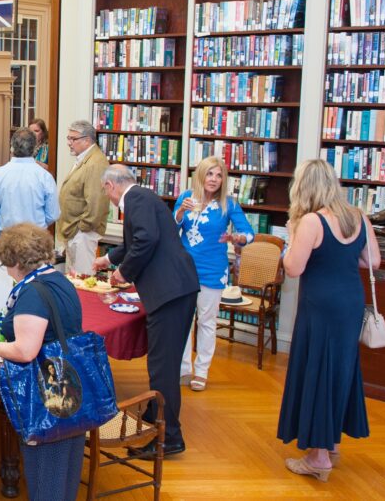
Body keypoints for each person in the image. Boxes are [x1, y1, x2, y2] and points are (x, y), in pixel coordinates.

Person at [277, 159, 378, 482]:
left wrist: (291, 237)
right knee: (339, 369)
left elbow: (293, 268)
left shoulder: (310, 222)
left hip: (320, 305)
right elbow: (372, 259)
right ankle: (331, 441)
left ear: (304, 187)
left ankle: (318, 459)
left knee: (317, 370)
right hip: (350, 303)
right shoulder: (358, 217)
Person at [0, 223, 85, 501]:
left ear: (17, 261)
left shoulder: (32, 294)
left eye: (7, 264)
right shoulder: (59, 280)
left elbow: (25, 351)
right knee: (65, 472)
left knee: (46, 476)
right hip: (71, 389)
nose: (6, 270)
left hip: (48, 396)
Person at [93, 165, 199, 457]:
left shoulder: (135, 199)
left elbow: (145, 241)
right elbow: (135, 241)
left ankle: (170, 438)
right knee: (163, 362)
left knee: (162, 367)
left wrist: (122, 273)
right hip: (176, 289)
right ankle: (156, 413)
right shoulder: (144, 196)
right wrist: (108, 260)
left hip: (170, 292)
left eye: (105, 191)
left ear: (112, 186)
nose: (108, 196)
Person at [174, 156, 255, 392]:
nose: (214, 179)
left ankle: (201, 372)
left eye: (219, 175)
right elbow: (171, 228)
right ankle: (183, 368)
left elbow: (249, 233)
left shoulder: (228, 204)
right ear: (201, 175)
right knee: (183, 322)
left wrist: (238, 238)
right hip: (185, 270)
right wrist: (179, 212)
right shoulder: (186, 197)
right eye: (210, 174)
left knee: (207, 322)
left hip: (212, 272)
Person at [57, 120, 110, 275]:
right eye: (69, 138)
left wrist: (82, 229)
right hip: (75, 231)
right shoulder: (84, 159)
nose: (69, 143)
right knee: (74, 279)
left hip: (83, 233)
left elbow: (96, 202)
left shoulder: (95, 163)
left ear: (87, 140)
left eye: (73, 139)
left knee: (83, 279)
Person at [0, 128, 59, 240]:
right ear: (34, 148)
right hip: (36, 238)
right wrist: (38, 228)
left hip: (6, 237)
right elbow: (52, 214)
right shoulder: (44, 176)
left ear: (12, 148)